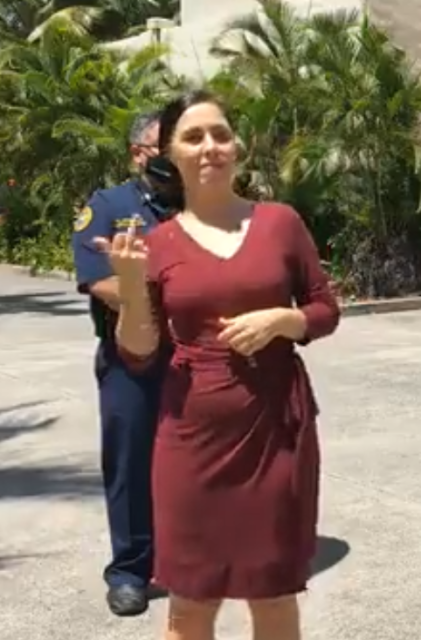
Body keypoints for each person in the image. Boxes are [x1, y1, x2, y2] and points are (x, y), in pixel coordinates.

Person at [93, 90, 340, 640]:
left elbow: (325, 309)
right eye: (194, 137)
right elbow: (137, 352)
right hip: (191, 437)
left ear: (238, 147)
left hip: (275, 429)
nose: (210, 147)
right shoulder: (156, 243)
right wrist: (133, 288)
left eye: (221, 134)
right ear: (170, 154)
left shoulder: (281, 223)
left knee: (274, 595)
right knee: (191, 603)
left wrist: (283, 320)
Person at [70, 111, 173, 617]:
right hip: (129, 358)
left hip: (196, 355)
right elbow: (100, 282)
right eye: (164, 145)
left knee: (202, 459)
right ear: (138, 153)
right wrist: (160, 297)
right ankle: (131, 570)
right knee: (131, 463)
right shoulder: (108, 206)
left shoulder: (201, 208)